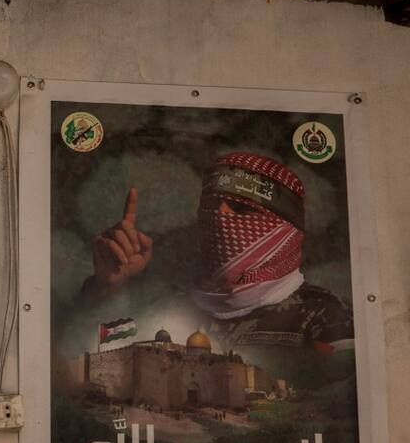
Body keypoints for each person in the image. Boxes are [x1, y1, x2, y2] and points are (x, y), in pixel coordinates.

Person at [82, 152, 353, 388]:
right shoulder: (170, 307)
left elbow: (344, 409)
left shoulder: (324, 316)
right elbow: (81, 350)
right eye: (211, 205)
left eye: (241, 207)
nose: (220, 216)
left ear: (283, 224)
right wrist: (107, 287)